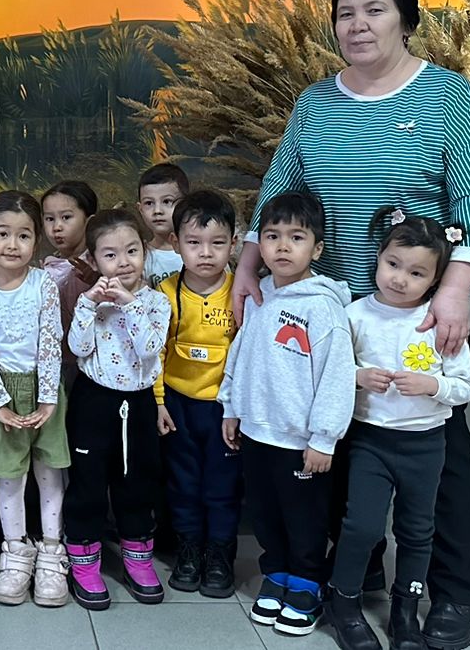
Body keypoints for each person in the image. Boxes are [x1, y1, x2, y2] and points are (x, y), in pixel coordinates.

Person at [232, 0, 470, 649]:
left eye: (374, 10)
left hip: (416, 308)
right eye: (345, 13)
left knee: (438, 454)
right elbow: (279, 188)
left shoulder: (447, 95)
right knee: (345, 446)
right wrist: (247, 265)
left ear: (406, 20)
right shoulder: (315, 103)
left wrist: (455, 288)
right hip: (330, 309)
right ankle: (360, 574)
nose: (358, 25)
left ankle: (454, 593)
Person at [324, 209, 470, 650]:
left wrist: (433, 385)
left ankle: (405, 611)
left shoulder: (438, 321)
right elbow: (328, 372)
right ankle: (344, 604)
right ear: (378, 257)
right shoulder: (354, 315)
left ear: (436, 279)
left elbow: (465, 386)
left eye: (416, 273)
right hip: (370, 442)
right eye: (393, 264)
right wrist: (358, 376)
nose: (399, 279)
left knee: (416, 531)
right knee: (362, 526)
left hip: (426, 446)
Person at [218, 192, 354, 637]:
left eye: (296, 237)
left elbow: (337, 377)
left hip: (301, 441)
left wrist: (324, 438)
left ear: (317, 248)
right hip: (257, 433)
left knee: (305, 517)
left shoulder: (323, 306)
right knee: (265, 512)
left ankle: (307, 584)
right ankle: (276, 574)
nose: (281, 246)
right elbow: (241, 355)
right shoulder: (260, 294)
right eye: (272, 236)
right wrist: (231, 407)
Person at [63, 208, 173, 610]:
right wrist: (88, 306)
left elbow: (149, 349)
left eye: (131, 251)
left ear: (144, 251)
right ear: (94, 260)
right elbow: (77, 349)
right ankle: (83, 559)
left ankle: (137, 556)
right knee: (88, 483)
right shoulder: (92, 302)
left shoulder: (156, 302)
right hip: (94, 401)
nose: (123, 262)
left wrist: (129, 304)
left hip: (139, 403)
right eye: (110, 255)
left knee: (137, 482)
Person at [0, 190, 71, 608]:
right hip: (1, 394)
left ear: (36, 241)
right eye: (3, 234)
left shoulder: (44, 284)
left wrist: (47, 399)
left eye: (24, 235)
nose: (13, 244)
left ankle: (51, 552)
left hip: (44, 390)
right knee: (9, 477)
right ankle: (15, 554)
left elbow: (51, 341)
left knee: (50, 473)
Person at [153, 189, 242, 598]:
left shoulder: (242, 293)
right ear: (176, 243)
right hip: (177, 406)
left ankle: (220, 555)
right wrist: (159, 402)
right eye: (194, 243)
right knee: (183, 483)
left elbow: (248, 355)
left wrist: (238, 408)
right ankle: (188, 551)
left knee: (221, 486)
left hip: (224, 410)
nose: (205, 253)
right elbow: (156, 353)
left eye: (217, 243)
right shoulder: (165, 294)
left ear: (234, 243)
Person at [41, 180, 99, 388]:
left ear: (89, 221)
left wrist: (96, 279)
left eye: (66, 217)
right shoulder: (46, 269)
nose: (56, 227)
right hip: (56, 362)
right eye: (49, 219)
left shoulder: (101, 265)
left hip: (92, 365)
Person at [136, 162, 189, 286]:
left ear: (185, 204)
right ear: (140, 209)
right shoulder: (138, 257)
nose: (157, 211)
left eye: (167, 201)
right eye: (149, 203)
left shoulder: (201, 251)